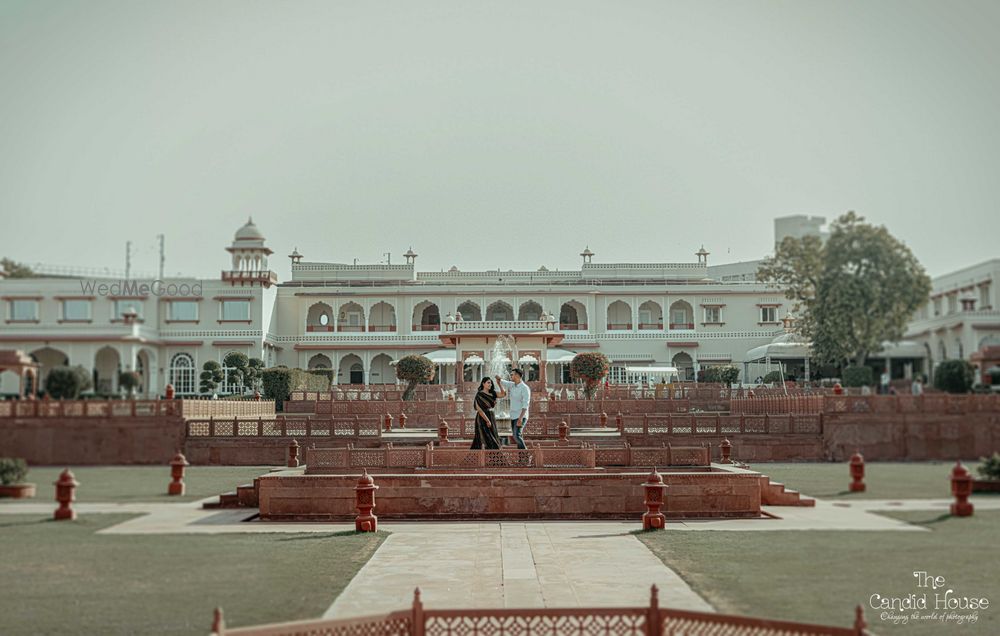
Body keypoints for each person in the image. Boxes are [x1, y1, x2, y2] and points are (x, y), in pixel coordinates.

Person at [496, 368, 531, 450]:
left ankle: (526, 455)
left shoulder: (525, 388)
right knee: (518, 436)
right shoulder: (512, 385)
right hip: (513, 415)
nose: (511, 376)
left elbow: (526, 404)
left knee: (516, 436)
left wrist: (520, 418)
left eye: (512, 374)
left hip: (521, 416)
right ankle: (522, 459)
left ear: (517, 376)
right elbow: (504, 382)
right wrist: (499, 380)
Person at [470, 377, 502, 450]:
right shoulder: (479, 394)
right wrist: (487, 420)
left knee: (493, 436)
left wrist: (499, 384)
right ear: (483, 383)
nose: (490, 384)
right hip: (482, 418)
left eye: (491, 383)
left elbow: (503, 394)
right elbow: (479, 409)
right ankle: (478, 459)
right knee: (483, 438)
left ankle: (493, 459)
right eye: (488, 382)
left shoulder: (493, 393)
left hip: (491, 416)